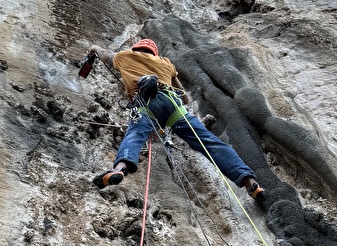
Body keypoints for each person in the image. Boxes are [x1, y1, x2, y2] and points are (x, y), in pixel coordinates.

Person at [86, 38, 264, 199]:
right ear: (154, 52)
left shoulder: (125, 56)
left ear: (136, 48)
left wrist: (93, 49)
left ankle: (119, 169)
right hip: (174, 105)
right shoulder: (165, 62)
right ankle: (250, 182)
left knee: (135, 134)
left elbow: (103, 53)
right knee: (208, 141)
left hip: (148, 103)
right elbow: (184, 97)